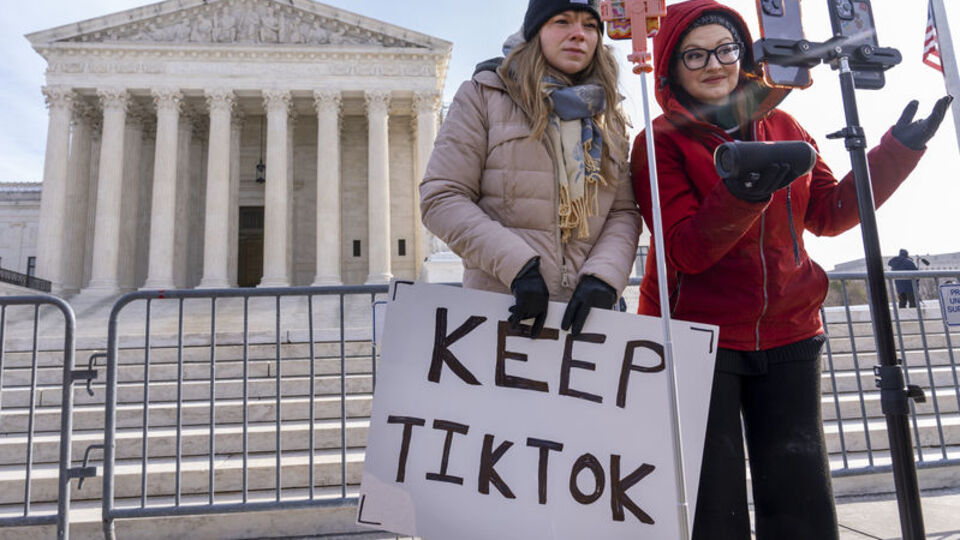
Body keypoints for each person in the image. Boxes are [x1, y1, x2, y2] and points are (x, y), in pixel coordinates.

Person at [629, 1, 952, 538]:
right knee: (715, 506)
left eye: (727, 48)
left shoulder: (782, 122)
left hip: (791, 332)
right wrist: (741, 194)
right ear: (670, 68)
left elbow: (829, 213)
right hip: (698, 339)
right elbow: (686, 250)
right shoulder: (660, 142)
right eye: (695, 54)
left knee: (801, 503)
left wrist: (897, 151)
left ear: (745, 54)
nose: (715, 64)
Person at [420, 0, 641, 338]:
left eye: (590, 26)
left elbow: (622, 212)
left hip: (588, 321)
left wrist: (604, 277)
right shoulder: (484, 95)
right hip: (502, 310)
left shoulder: (607, 115)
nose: (578, 35)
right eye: (562, 22)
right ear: (536, 32)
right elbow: (442, 197)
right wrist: (519, 267)